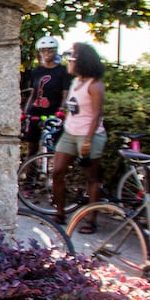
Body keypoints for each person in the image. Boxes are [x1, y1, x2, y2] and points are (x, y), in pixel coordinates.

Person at [50, 43, 107, 228]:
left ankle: (91, 220)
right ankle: (59, 213)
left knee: (92, 178)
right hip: (70, 133)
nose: (68, 62)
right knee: (57, 172)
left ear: (82, 61)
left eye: (72, 58)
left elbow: (97, 114)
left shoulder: (95, 85)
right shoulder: (76, 81)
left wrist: (88, 141)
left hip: (88, 136)